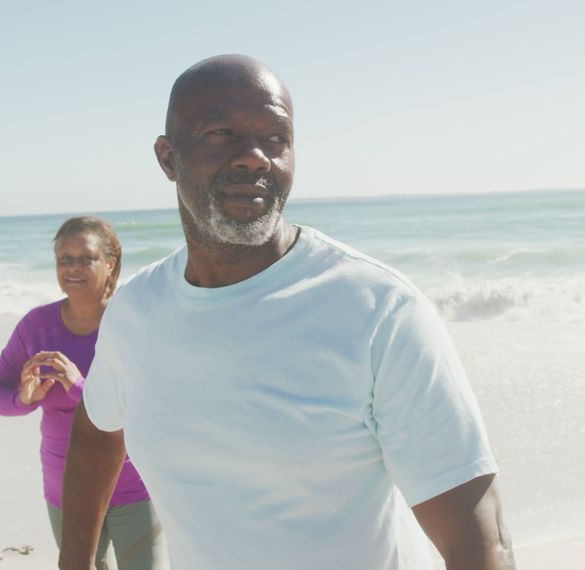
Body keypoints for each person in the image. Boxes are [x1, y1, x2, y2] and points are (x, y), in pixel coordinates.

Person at [60, 56, 515, 570]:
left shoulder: (377, 311)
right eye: (220, 133)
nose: (254, 158)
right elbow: (97, 428)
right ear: (168, 158)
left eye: (276, 138)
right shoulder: (137, 312)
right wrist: (74, 560)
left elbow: (480, 538)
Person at [0, 216, 168, 570]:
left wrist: (80, 386)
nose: (73, 268)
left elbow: (155, 406)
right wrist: (24, 399)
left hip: (134, 487)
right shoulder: (37, 326)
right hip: (66, 490)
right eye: (65, 258)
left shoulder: (130, 321)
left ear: (110, 264)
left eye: (86, 258)